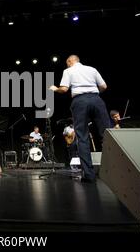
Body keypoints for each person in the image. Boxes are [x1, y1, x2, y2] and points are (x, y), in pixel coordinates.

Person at [50, 55, 110, 183]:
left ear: (71, 61)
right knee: (107, 135)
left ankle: (89, 175)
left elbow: (64, 89)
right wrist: (93, 94)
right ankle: (115, 172)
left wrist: (56, 89)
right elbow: (104, 86)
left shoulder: (68, 71)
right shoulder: (92, 69)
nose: (67, 65)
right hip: (96, 99)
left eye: (67, 63)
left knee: (82, 137)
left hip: (80, 101)